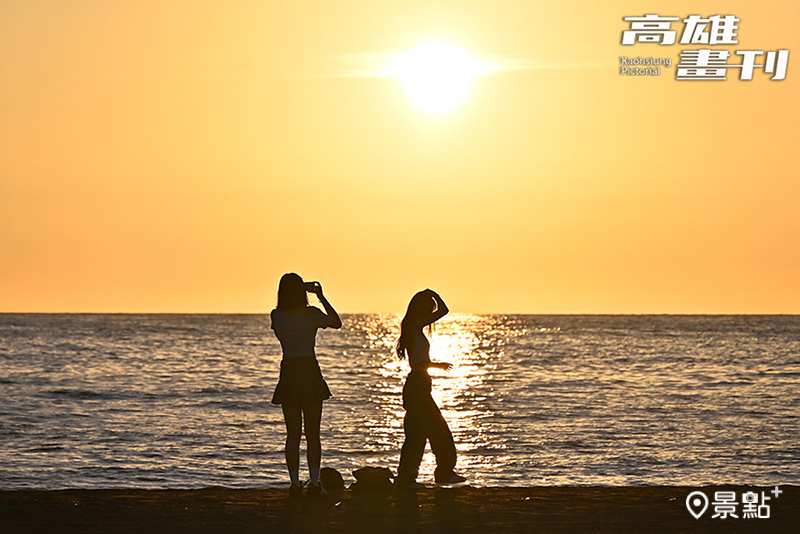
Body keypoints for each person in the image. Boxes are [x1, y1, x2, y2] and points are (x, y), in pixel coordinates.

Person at [270, 273, 342, 497]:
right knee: (313, 433)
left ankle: (294, 483)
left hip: (289, 369)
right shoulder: (313, 314)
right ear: (302, 291)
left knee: (293, 434)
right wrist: (320, 295)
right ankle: (313, 483)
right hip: (309, 369)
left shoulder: (277, 315)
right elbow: (337, 322)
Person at [394, 289, 466, 488]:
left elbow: (418, 362)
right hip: (418, 385)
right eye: (428, 309)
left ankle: (406, 479)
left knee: (416, 435)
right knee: (439, 431)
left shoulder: (412, 327)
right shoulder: (413, 324)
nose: (430, 313)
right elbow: (444, 310)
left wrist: (436, 365)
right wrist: (433, 293)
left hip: (419, 384)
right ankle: (444, 472)